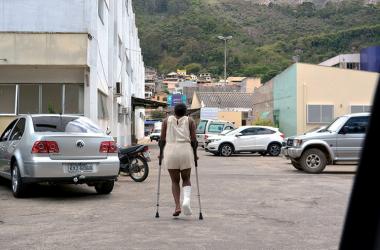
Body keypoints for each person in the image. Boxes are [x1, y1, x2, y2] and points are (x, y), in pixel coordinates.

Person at [159, 103, 197, 217]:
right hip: (185, 150)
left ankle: (177, 206)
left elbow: (162, 140)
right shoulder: (190, 121)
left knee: (175, 181)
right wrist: (195, 155)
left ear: (174, 111)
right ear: (185, 112)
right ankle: (186, 201)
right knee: (186, 179)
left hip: (170, 151)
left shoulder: (166, 121)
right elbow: (194, 141)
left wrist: (160, 154)